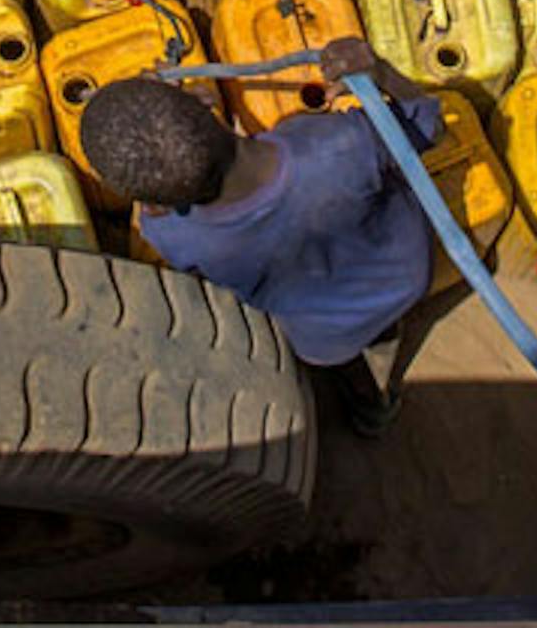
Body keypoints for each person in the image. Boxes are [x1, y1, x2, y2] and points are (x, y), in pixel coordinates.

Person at [78, 39, 442, 436]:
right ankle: (385, 345)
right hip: (405, 274)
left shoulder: (171, 233)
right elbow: (429, 121)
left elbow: (167, 203)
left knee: (349, 362)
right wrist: (381, 73)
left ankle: (372, 410)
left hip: (322, 333)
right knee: (385, 331)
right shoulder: (334, 145)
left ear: (150, 202)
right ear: (207, 103)